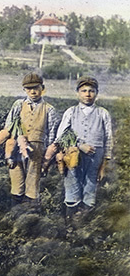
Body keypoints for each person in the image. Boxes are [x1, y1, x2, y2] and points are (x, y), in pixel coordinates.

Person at [55, 76, 112, 218]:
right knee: (72, 183)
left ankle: (85, 223)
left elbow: (109, 139)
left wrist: (104, 165)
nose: (87, 94)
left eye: (91, 91)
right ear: (77, 93)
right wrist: (79, 145)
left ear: (96, 93)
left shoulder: (103, 113)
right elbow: (60, 136)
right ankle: (70, 224)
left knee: (91, 185)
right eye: (84, 91)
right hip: (74, 154)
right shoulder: (71, 112)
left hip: (96, 156)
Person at [2, 73, 59, 205]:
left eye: (36, 88)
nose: (33, 91)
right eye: (29, 89)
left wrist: (47, 154)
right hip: (17, 145)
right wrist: (10, 146)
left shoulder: (49, 109)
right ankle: (16, 208)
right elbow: (9, 125)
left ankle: (31, 210)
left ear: (42, 88)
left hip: (37, 147)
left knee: (33, 177)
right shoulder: (18, 104)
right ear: (24, 90)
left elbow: (51, 132)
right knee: (16, 174)